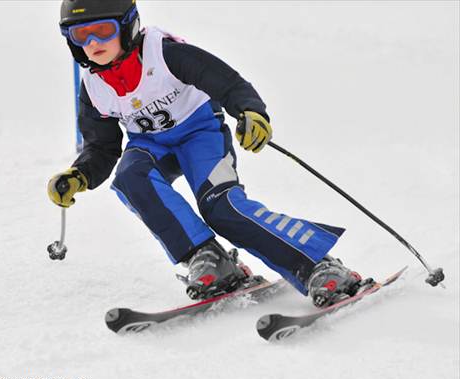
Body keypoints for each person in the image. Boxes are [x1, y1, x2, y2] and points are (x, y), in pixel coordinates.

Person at [48, 0, 369, 307]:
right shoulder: (93, 86)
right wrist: (81, 174)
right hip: (151, 145)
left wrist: (249, 112)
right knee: (130, 178)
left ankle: (316, 265)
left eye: (102, 31)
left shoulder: (165, 54)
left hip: (201, 135)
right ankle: (208, 257)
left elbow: (226, 83)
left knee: (222, 207)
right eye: (80, 34)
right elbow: (102, 146)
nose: (92, 42)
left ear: (127, 26)